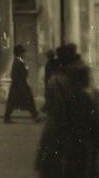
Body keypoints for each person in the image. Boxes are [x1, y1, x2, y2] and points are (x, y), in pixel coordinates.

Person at [37, 43, 98, 178]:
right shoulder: (84, 90)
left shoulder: (58, 81)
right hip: (75, 143)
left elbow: (57, 113)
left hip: (60, 140)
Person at [6, 44, 42, 123]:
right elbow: (14, 75)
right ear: (20, 53)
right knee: (24, 100)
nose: (24, 54)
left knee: (16, 102)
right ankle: (35, 116)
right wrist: (21, 84)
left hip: (19, 85)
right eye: (23, 52)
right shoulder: (17, 62)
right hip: (19, 85)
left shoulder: (19, 61)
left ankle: (35, 116)